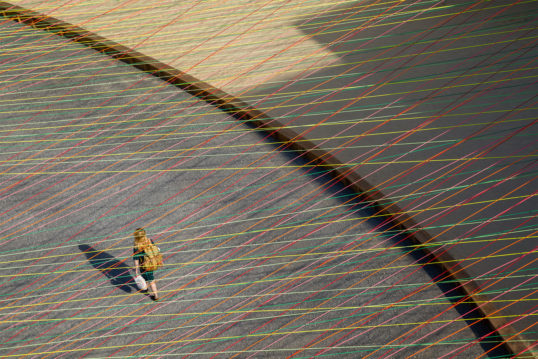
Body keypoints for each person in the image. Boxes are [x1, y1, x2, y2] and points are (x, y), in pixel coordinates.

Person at [133, 228, 159, 301]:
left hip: (145, 265)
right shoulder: (149, 240)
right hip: (152, 263)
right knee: (148, 277)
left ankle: (155, 295)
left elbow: (136, 259)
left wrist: (136, 269)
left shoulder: (136, 246)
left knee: (150, 280)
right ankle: (147, 289)